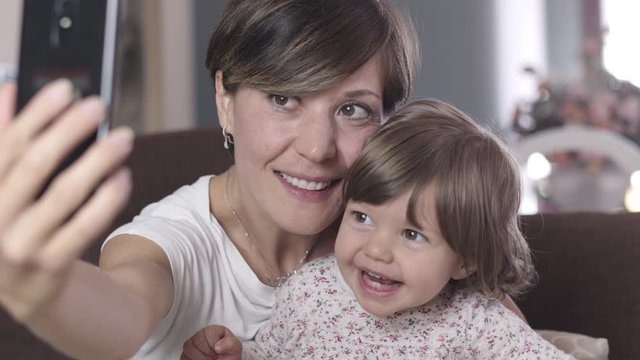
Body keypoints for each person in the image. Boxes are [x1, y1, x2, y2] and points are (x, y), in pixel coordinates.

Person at [0, 1, 524, 359]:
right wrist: (40, 290)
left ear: (388, 122)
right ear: (225, 99)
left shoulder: (400, 244)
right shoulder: (172, 242)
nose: (317, 148)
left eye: (352, 110)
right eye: (283, 99)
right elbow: (123, 311)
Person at [181, 99, 573, 359]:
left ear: (465, 260)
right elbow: (269, 352)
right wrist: (235, 354)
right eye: (362, 218)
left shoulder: (475, 322)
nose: (377, 250)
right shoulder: (311, 291)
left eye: (412, 234)